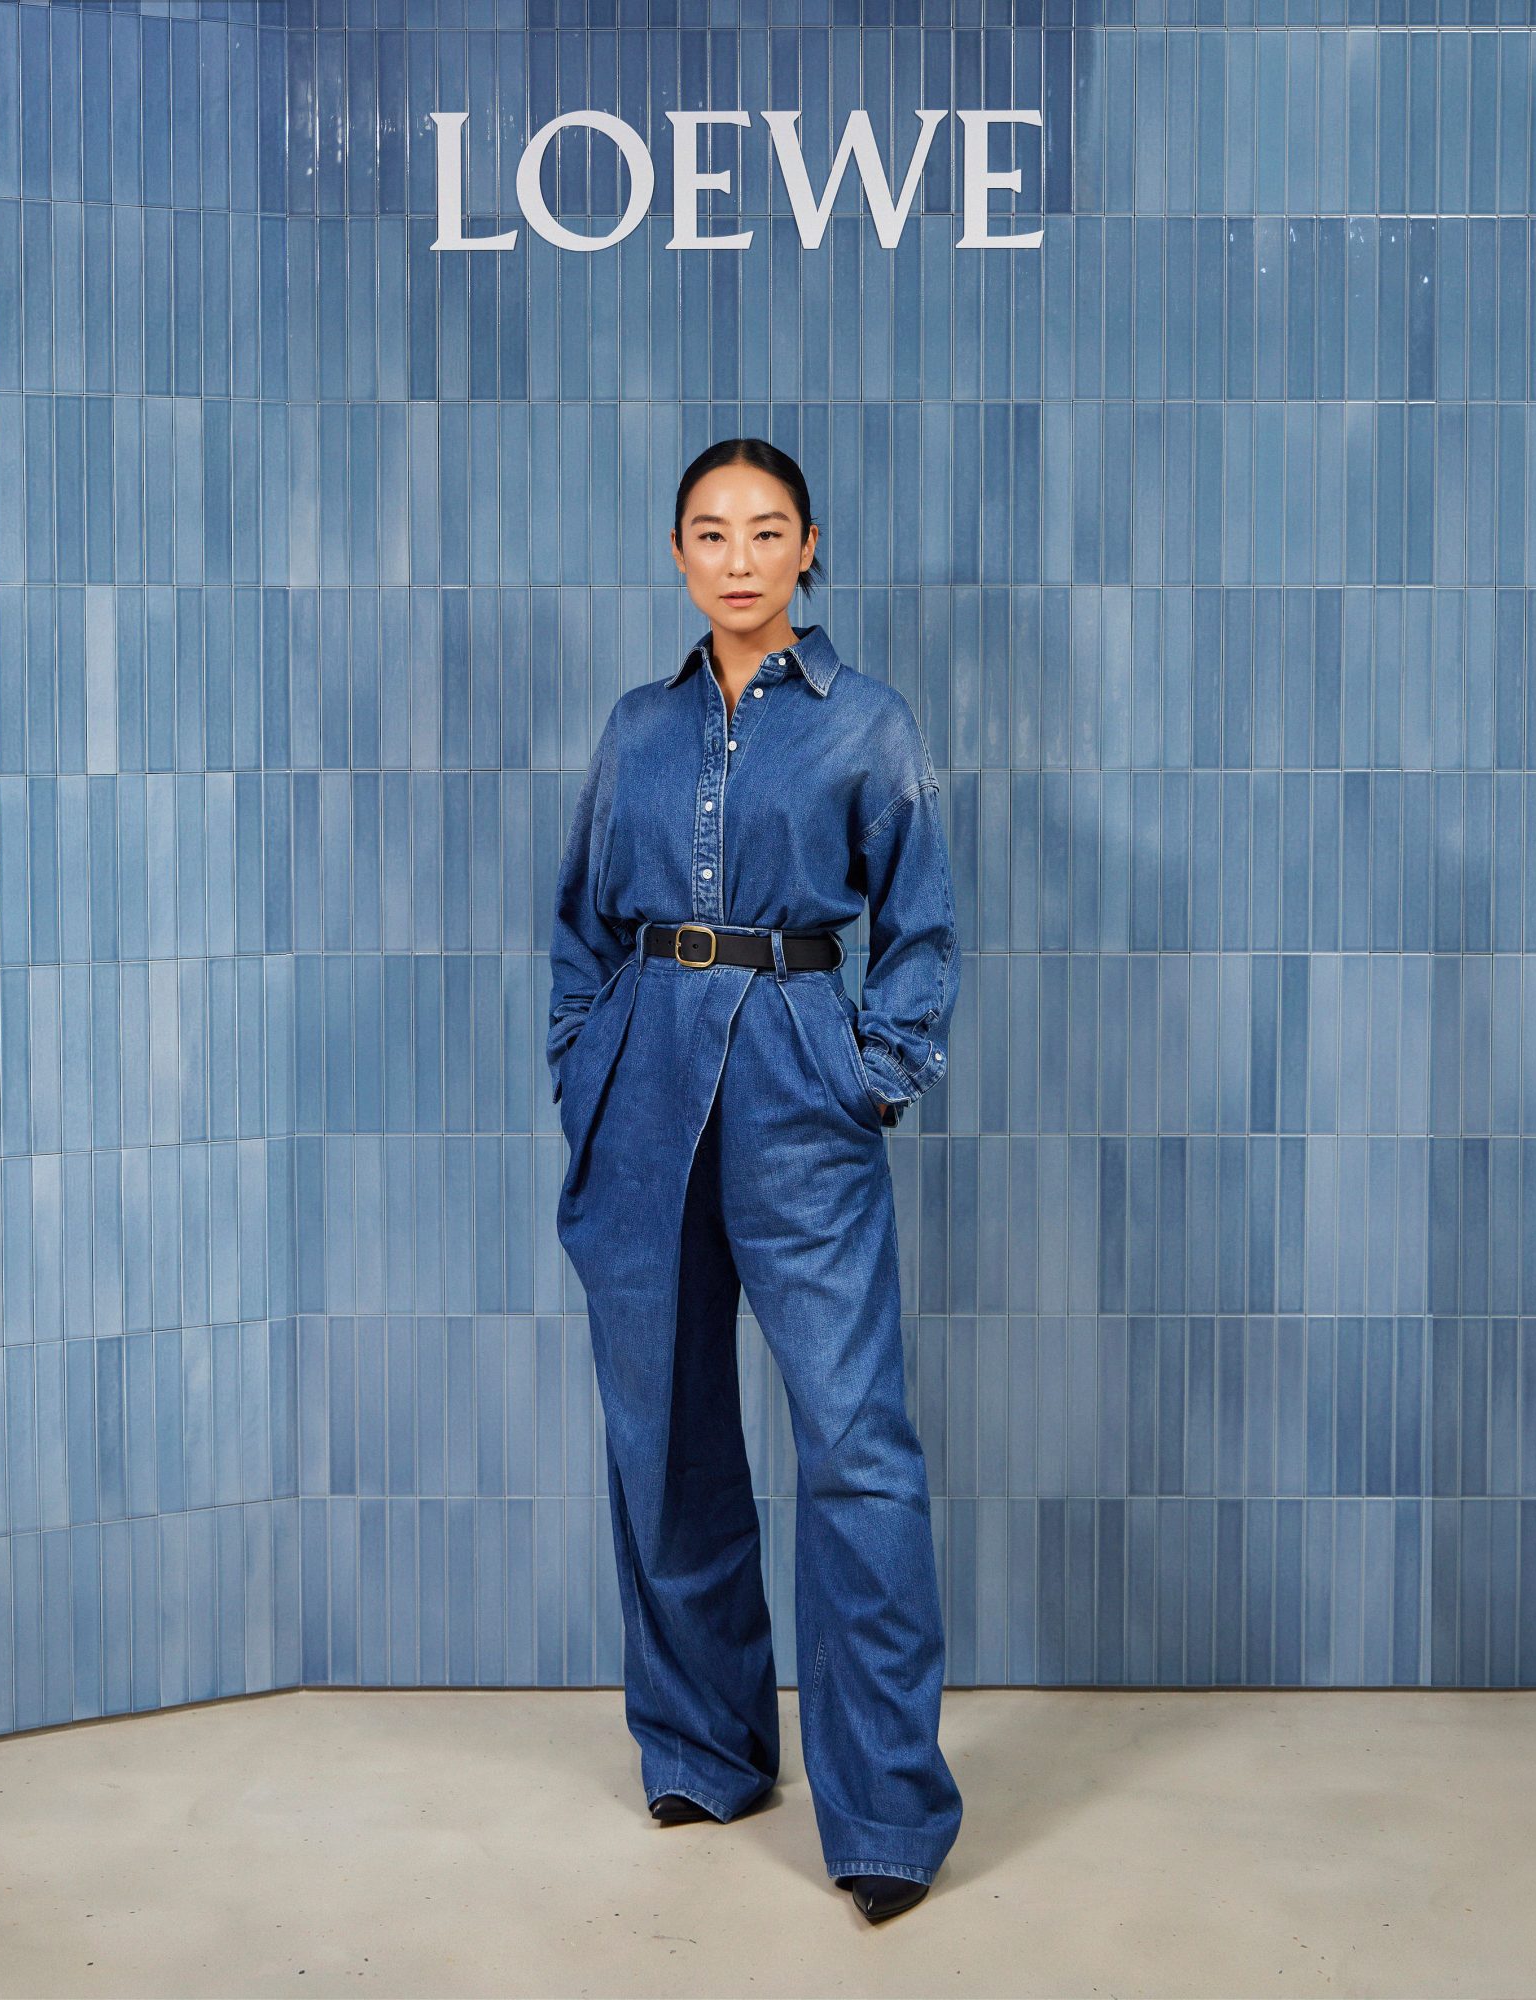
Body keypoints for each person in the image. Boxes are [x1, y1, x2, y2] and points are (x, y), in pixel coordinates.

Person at [546, 438, 962, 1924]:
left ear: (808, 547)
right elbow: (580, 925)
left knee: (855, 1444)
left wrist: (873, 1074)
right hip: (642, 1082)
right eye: (711, 533)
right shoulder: (638, 727)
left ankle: (887, 1814)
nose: (738, 558)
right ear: (677, 553)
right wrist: (583, 1064)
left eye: (766, 530)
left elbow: (921, 922)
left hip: (798, 1079)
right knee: (664, 1436)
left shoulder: (868, 724)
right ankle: (703, 1748)